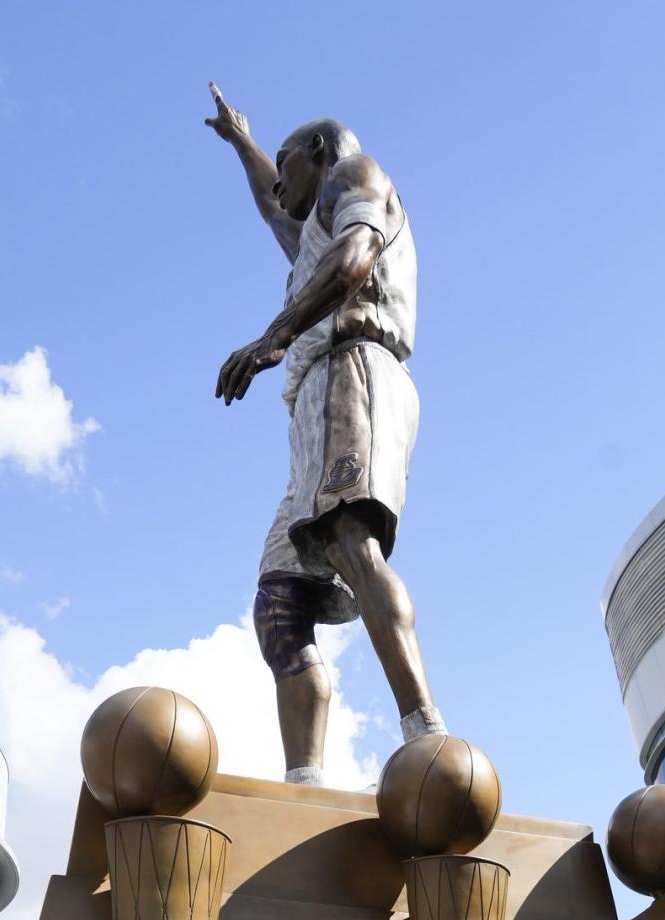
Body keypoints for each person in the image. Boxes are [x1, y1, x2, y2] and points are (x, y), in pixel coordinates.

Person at [206, 83, 445, 784]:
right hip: (309, 406)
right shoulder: (306, 220)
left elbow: (355, 260)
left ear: (317, 153)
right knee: (279, 600)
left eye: (286, 165)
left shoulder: (357, 176)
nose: (279, 186)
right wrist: (242, 140)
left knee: (351, 540)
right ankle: (304, 780)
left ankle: (424, 729)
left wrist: (275, 334)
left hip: (355, 370)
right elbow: (268, 199)